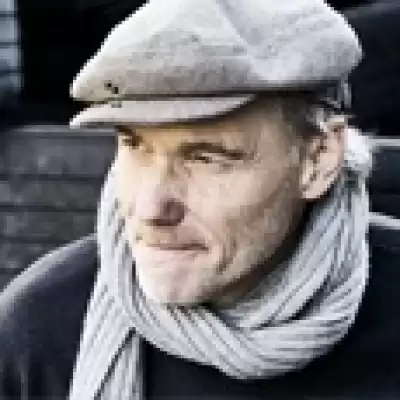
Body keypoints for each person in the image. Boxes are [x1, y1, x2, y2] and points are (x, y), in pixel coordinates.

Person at [0, 0, 399, 399]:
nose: (151, 209)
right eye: (135, 146)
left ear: (318, 159)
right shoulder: (42, 330)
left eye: (205, 158)